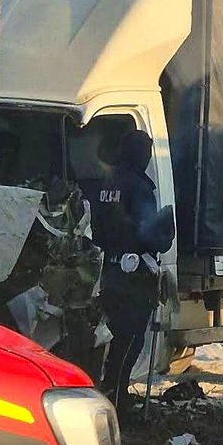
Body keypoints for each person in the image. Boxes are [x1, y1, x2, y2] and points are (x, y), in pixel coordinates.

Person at [78, 128, 164, 403]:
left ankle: (103, 389)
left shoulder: (106, 182)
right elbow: (149, 232)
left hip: (106, 270)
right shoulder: (139, 186)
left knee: (106, 336)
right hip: (133, 276)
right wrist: (165, 230)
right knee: (129, 338)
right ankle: (116, 396)